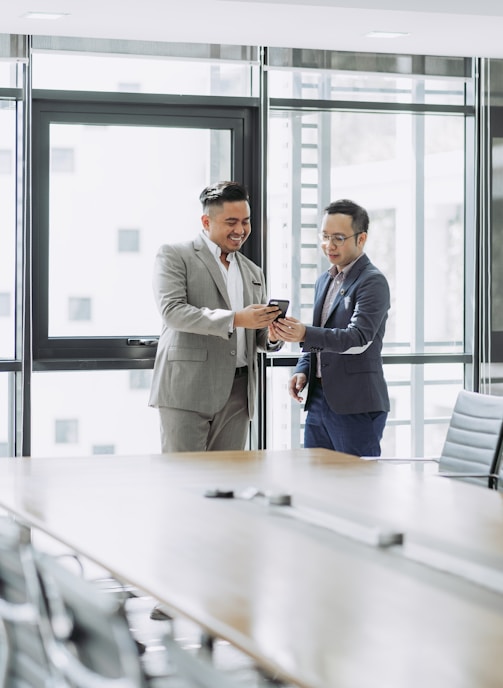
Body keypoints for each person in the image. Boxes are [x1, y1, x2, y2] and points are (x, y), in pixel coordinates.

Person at [149, 181, 282, 453]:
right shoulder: (175, 256)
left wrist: (271, 335)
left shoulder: (253, 271)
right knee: (185, 479)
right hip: (187, 388)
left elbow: (254, 335)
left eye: (246, 221)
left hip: (240, 393)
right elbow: (173, 312)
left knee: (228, 481)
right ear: (206, 221)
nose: (240, 230)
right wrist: (235, 319)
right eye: (231, 221)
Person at [271, 199, 390, 457]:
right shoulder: (324, 280)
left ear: (361, 239)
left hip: (355, 405)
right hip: (318, 400)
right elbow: (321, 334)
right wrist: (303, 369)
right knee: (317, 484)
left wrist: (303, 333)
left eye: (338, 237)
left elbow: (358, 338)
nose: (329, 245)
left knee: (356, 488)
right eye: (324, 236)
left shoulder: (372, 282)